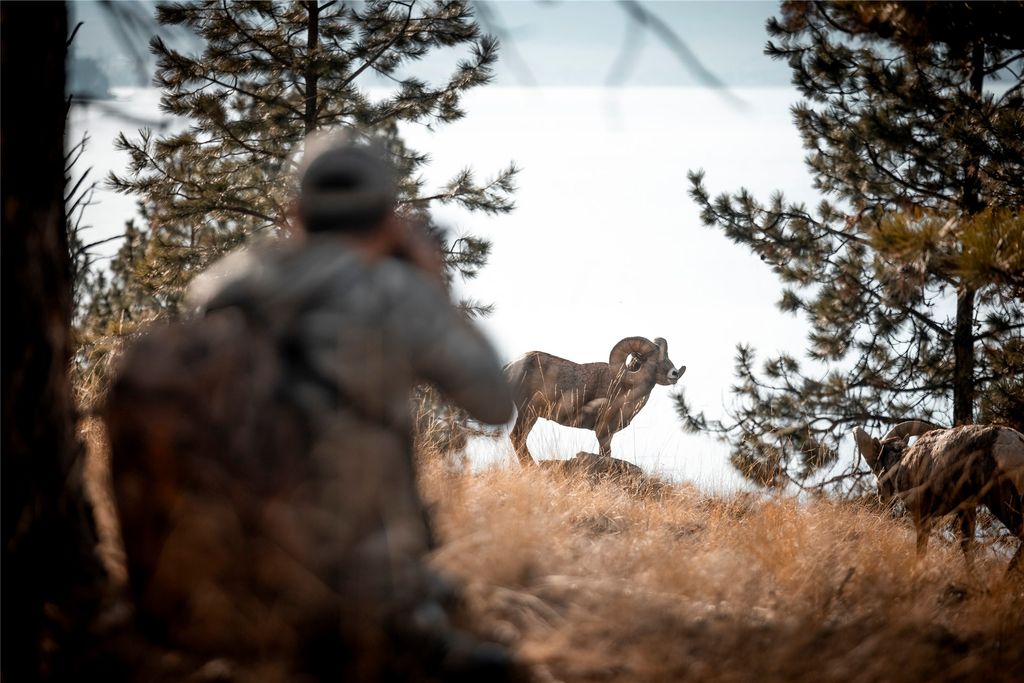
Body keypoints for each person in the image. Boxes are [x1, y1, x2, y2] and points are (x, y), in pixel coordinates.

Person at [104, 136, 519, 681]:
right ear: (388, 220)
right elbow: (493, 401)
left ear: (294, 213)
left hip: (212, 592)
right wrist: (431, 283)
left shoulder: (229, 284)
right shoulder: (393, 292)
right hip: (350, 606)